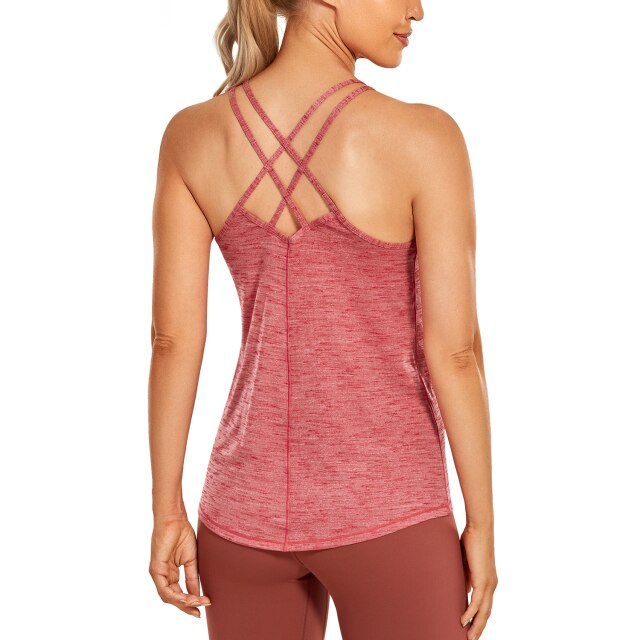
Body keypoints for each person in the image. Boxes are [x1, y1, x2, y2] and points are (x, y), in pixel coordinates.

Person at [147, 0, 498, 638]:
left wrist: (167, 508)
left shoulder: (193, 135)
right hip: (391, 514)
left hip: (240, 519)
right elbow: (455, 352)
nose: (418, 10)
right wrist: (482, 521)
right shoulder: (425, 138)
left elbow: (172, 340)